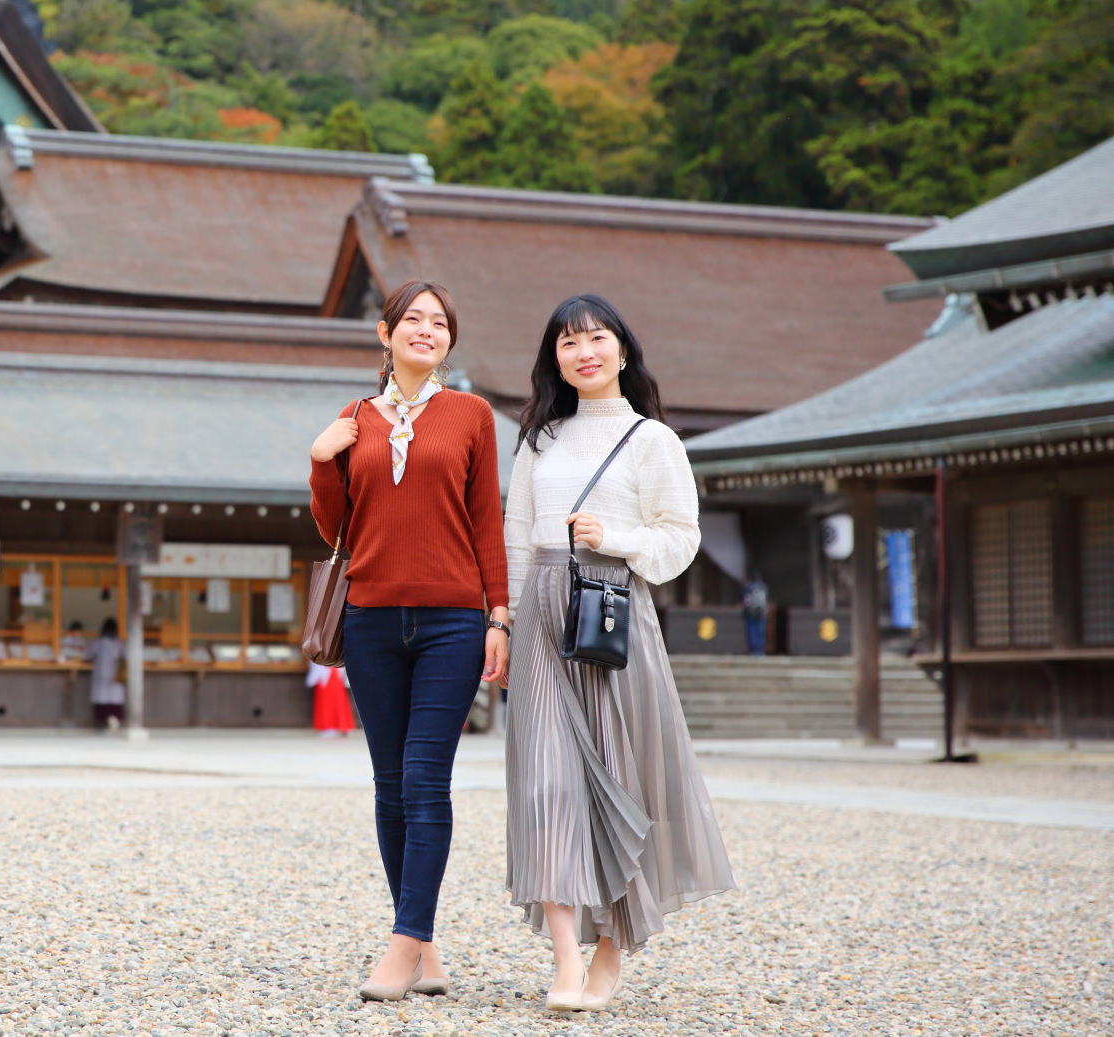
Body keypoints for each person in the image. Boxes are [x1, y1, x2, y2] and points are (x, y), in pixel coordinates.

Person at [502, 293, 735, 1013]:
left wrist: (616, 540)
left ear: (623, 351)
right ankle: (566, 960)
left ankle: (611, 949)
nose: (584, 352)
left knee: (625, 782)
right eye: (568, 343)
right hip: (541, 615)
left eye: (596, 338)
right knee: (545, 787)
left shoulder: (652, 441)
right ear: (555, 359)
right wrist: (504, 623)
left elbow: (679, 540)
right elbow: (514, 536)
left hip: (612, 614)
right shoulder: (539, 437)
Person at [308, 279, 509, 1002]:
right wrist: (321, 458)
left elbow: (486, 518)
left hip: (453, 620)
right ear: (384, 335)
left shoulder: (472, 415)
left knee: (426, 779)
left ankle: (400, 945)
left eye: (439, 322)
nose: (426, 330)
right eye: (412, 320)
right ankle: (421, 943)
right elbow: (335, 531)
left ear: (448, 341)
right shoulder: (354, 417)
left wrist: (500, 615)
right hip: (369, 619)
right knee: (389, 784)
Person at [86, 617, 125, 730]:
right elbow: (126, 656)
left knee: (102, 697)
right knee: (114, 697)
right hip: (115, 673)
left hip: (102, 673)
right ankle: (113, 720)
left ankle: (104, 722)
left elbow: (87, 655)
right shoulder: (119, 643)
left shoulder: (97, 643)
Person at [305, 659, 355, 737]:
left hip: (336, 678)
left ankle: (344, 726)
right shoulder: (319, 650)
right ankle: (328, 727)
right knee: (325, 705)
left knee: (340, 705)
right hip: (324, 679)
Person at [742, 572, 769, 656]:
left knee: (752, 631)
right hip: (761, 612)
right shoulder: (764, 586)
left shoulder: (747, 587)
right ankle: (760, 650)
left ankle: (753, 650)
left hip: (751, 612)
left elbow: (746, 600)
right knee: (760, 631)